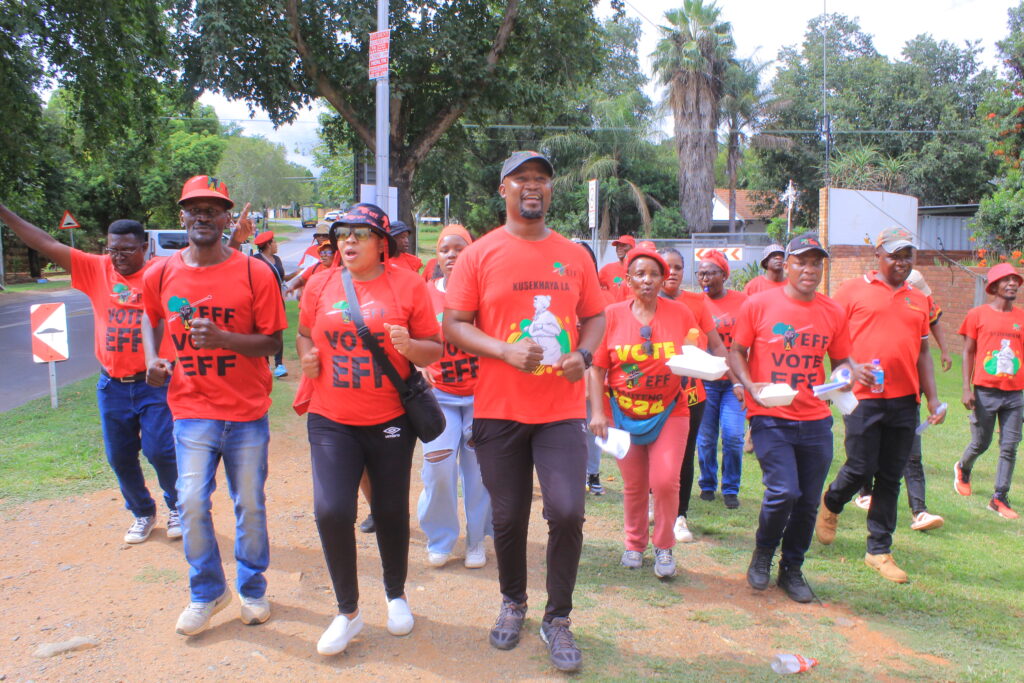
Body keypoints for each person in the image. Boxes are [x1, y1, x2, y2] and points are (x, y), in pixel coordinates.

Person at [444, 151, 605, 673]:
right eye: (521, 180)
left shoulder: (574, 256)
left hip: (559, 410)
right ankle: (513, 601)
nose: (531, 187)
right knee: (508, 517)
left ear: (550, 192)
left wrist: (582, 356)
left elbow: (596, 318)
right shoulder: (480, 254)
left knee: (568, 511)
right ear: (504, 189)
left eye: (540, 180)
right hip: (498, 409)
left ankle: (558, 618)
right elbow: (454, 324)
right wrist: (502, 350)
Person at [141, 175, 287, 635]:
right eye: (194, 208)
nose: (203, 216)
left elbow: (272, 342)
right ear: (181, 215)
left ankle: (252, 588)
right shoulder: (161, 272)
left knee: (249, 504)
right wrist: (153, 358)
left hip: (246, 411)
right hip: (190, 407)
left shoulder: (253, 272)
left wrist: (223, 338)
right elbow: (150, 317)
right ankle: (207, 591)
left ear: (228, 219)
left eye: (213, 209)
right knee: (190, 502)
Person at [296, 203, 442, 655]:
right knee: (331, 511)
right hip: (331, 417)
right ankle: (348, 612)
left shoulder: (407, 284)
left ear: (382, 243)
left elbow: (433, 350)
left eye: (360, 235)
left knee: (391, 510)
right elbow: (303, 332)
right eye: (343, 236)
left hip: (391, 420)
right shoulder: (319, 284)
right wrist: (305, 355)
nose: (349, 243)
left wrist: (408, 345)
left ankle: (396, 594)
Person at [0, 204, 180, 545]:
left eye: (127, 250)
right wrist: (4, 212)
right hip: (111, 384)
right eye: (113, 250)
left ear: (145, 248)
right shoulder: (97, 268)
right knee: (119, 456)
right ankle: (142, 511)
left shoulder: (162, 271)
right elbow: (45, 244)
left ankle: (178, 507)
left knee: (160, 450)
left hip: (153, 384)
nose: (118, 257)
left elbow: (202, 266)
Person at [730, 233, 866, 603]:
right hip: (771, 414)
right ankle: (762, 553)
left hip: (816, 418)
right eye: (802, 262)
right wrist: (750, 385)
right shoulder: (758, 305)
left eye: (816, 263)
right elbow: (736, 352)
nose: (809, 270)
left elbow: (840, 362)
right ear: (786, 264)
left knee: (807, 501)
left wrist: (850, 374)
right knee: (783, 491)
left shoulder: (833, 311)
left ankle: (792, 568)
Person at [816, 227, 945, 584]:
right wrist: (848, 370)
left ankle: (879, 550)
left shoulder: (918, 299)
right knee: (860, 467)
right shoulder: (852, 291)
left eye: (908, 256)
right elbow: (830, 340)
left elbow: (923, 353)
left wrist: (932, 397)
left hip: (905, 400)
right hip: (862, 398)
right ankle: (832, 502)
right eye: (894, 255)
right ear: (878, 256)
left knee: (890, 475)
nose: (902, 262)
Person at [588, 247, 699, 578]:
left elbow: (695, 350)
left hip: (669, 410)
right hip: (623, 412)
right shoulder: (612, 315)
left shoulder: (680, 314)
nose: (647, 280)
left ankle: (663, 546)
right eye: (640, 274)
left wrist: (698, 362)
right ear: (628, 279)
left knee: (665, 481)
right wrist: (599, 412)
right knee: (634, 484)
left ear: (664, 279)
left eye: (654, 274)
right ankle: (634, 544)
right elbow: (596, 369)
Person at [418, 223, 493, 568]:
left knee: (479, 473)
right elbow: (407, 338)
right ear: (437, 255)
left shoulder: (486, 296)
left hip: (481, 398)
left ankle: (476, 539)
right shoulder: (424, 293)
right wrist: (418, 367)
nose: (452, 254)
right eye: (445, 249)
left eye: (459, 248)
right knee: (439, 469)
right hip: (440, 398)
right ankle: (441, 537)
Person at [854, 268, 950, 532]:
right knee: (868, 455)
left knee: (911, 455)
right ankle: (863, 493)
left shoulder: (921, 304)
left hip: (908, 397)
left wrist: (933, 397)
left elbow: (927, 343)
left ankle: (919, 511)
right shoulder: (872, 302)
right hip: (874, 394)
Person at [658, 247, 728, 542]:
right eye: (666, 266)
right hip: (651, 396)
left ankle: (680, 516)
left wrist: (727, 372)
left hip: (690, 396)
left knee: (685, 456)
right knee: (653, 456)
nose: (672, 272)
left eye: (677, 267)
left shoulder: (697, 304)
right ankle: (654, 500)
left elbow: (717, 345)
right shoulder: (640, 304)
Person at [955, 263, 1024, 519]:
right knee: (981, 443)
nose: (1012, 284)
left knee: (1010, 446)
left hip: (1015, 394)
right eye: (1006, 280)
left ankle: (999, 497)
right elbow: (968, 352)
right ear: (994, 286)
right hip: (985, 391)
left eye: (1015, 280)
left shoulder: (1021, 317)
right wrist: (966, 387)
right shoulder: (977, 315)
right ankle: (963, 468)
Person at [695, 250, 748, 509]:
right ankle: (707, 484)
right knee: (705, 438)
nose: (705, 278)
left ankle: (730, 488)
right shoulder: (694, 303)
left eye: (710, 273)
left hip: (734, 381)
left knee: (733, 436)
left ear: (724, 275)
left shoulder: (743, 302)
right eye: (701, 273)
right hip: (706, 380)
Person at [253, 231, 299, 378]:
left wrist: (296, 274)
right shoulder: (255, 260)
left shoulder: (277, 259)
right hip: (261, 302)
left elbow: (281, 277)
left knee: (277, 331)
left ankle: (279, 364)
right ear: (267, 244)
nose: (276, 245)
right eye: (274, 242)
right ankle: (265, 363)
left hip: (277, 300)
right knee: (263, 332)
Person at [598, 234, 634, 300]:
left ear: (632, 248)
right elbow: (593, 285)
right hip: (614, 309)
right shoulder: (607, 269)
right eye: (617, 246)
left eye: (623, 245)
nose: (619, 248)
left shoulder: (638, 270)